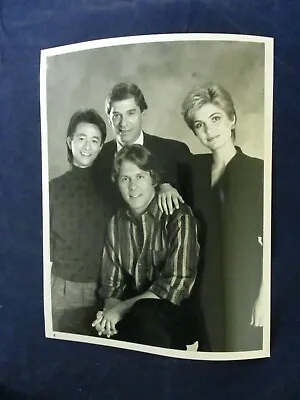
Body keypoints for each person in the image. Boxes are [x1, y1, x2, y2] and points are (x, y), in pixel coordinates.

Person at [92, 145, 201, 350]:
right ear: (117, 182)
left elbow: (176, 283)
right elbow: (112, 284)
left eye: (139, 177)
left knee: (145, 315)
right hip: (133, 311)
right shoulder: (116, 223)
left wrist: (120, 310)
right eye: (125, 179)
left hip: (174, 313)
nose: (133, 186)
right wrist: (108, 316)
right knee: (99, 329)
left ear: (153, 178)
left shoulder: (178, 215)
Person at [181, 82, 264, 351]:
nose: (209, 130)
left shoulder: (258, 172)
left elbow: (275, 241)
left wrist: (265, 296)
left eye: (215, 118)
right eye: (199, 125)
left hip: (247, 287)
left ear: (232, 118)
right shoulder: (193, 169)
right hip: (205, 288)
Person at [93, 82, 193, 215]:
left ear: (143, 113)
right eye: (117, 115)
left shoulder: (175, 152)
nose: (123, 123)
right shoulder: (98, 157)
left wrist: (166, 185)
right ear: (109, 119)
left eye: (131, 113)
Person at [50, 109, 108, 334]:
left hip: (103, 290)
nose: (87, 147)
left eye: (95, 141)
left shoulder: (110, 188)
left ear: (101, 146)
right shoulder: (54, 188)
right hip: (63, 288)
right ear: (69, 141)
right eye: (81, 138)